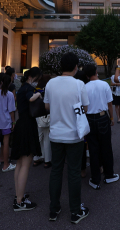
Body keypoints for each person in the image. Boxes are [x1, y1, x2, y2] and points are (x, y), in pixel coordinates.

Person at [44, 52, 90, 224]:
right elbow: (85, 107)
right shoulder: (79, 85)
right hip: (74, 136)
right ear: (76, 67)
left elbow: (47, 106)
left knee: (56, 171)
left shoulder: (50, 83)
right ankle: (75, 211)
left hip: (55, 134)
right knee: (73, 172)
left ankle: (54, 210)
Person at [10, 68, 44, 211]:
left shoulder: (21, 88)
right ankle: (20, 201)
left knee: (19, 163)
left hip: (20, 125)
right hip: (27, 127)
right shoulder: (29, 88)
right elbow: (31, 98)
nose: (37, 80)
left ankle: (19, 195)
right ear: (31, 77)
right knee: (25, 164)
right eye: (36, 78)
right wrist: (39, 94)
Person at [84, 64, 119, 189]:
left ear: (87, 75)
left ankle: (95, 179)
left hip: (89, 118)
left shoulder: (84, 87)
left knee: (93, 149)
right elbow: (110, 104)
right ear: (96, 71)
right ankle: (109, 175)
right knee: (106, 147)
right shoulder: (104, 85)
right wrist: (112, 118)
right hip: (103, 117)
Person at [35, 74, 53, 168]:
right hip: (48, 115)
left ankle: (37, 157)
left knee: (38, 137)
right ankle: (47, 160)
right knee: (47, 139)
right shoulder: (49, 89)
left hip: (38, 115)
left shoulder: (36, 89)